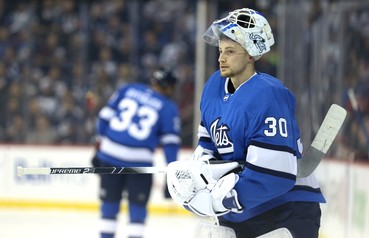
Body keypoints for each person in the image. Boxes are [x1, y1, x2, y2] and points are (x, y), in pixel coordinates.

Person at [168, 8, 325, 238]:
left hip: (284, 210)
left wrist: (216, 201)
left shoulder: (268, 95)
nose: (221, 58)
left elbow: (274, 176)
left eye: (230, 51)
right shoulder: (213, 86)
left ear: (251, 54)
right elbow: (209, 140)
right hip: (242, 213)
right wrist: (202, 166)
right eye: (221, 50)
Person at [92, 67, 181, 238]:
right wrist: (171, 174)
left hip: (109, 157)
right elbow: (170, 144)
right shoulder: (168, 107)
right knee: (137, 211)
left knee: (109, 206)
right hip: (139, 164)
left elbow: (104, 117)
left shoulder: (128, 88)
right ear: (168, 87)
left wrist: (98, 150)